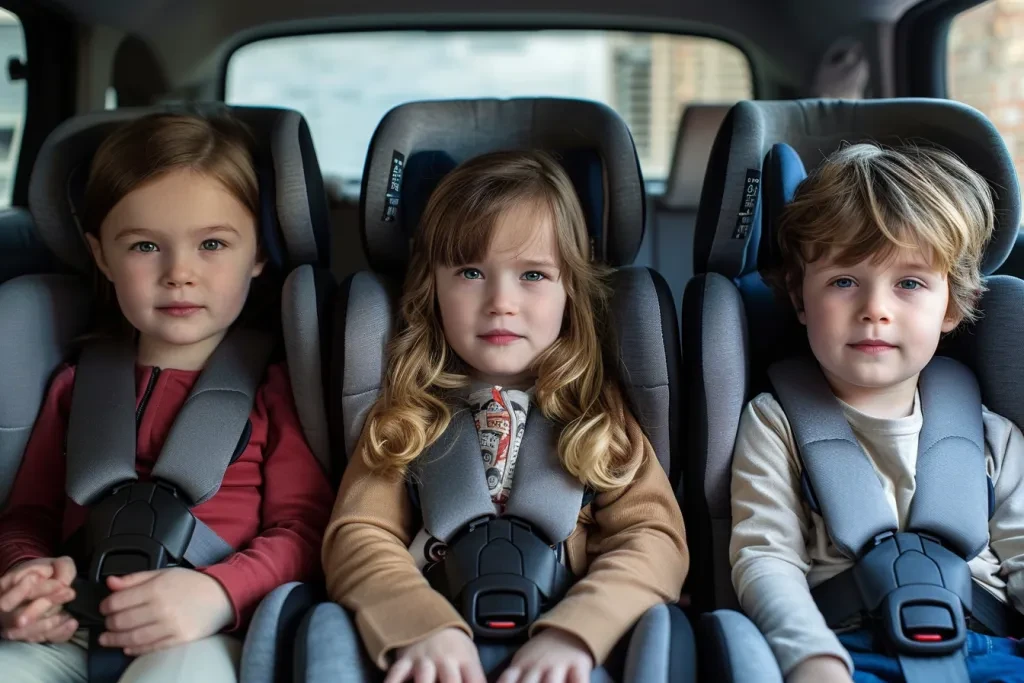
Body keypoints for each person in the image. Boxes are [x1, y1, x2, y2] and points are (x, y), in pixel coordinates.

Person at [322, 150, 689, 683]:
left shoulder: (598, 416)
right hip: (432, 651)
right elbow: (358, 533)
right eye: (471, 272)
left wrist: (578, 632)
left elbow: (654, 539)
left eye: (533, 275)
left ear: (571, 290)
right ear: (433, 288)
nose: (501, 302)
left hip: (567, 650)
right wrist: (420, 625)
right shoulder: (405, 414)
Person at [0, 112, 335, 682]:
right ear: (101, 255)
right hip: (74, 618)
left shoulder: (278, 386)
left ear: (258, 254)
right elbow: (26, 515)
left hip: (204, 629)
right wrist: (25, 573)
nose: (179, 273)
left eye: (212, 243)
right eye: (145, 246)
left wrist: (217, 591)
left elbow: (304, 531)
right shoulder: (75, 384)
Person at [729, 142, 1024, 683]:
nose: (875, 309)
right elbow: (765, 558)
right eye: (844, 282)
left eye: (909, 283)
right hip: (844, 646)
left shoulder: (994, 437)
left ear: (952, 305)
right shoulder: (775, 423)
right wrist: (810, 656)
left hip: (988, 646)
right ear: (800, 298)